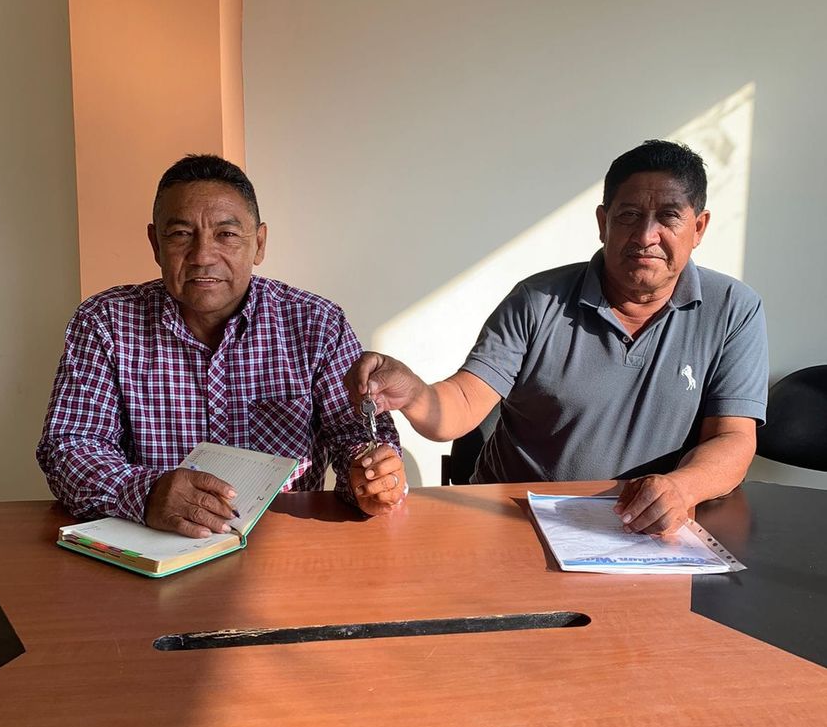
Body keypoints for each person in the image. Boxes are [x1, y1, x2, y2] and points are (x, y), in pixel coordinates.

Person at [347, 140, 768, 536]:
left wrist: (682, 488)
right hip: (514, 520)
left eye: (669, 217)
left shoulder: (733, 309)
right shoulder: (538, 300)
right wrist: (415, 393)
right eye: (629, 215)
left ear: (699, 227)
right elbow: (460, 404)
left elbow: (732, 438)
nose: (646, 236)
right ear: (603, 223)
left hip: (643, 529)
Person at [38, 154, 406, 536]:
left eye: (226, 235)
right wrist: (146, 494)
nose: (202, 256)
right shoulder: (106, 322)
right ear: (155, 243)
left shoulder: (316, 324)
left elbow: (357, 436)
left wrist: (371, 479)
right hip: (153, 544)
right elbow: (69, 446)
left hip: (283, 543)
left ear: (259, 243)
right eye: (180, 234)